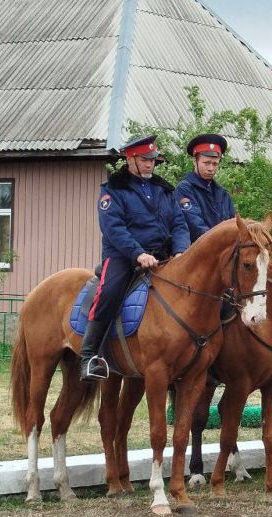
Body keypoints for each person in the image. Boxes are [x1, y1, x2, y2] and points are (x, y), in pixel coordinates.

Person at [80, 135, 190, 382]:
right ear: (130, 159)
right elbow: (114, 228)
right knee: (109, 291)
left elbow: (179, 223)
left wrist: (182, 250)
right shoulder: (113, 190)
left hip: (163, 257)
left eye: (153, 159)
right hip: (123, 257)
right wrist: (139, 253)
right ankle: (89, 357)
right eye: (145, 159)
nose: (150, 164)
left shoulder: (164, 190)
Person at [174, 133, 235, 241]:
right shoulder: (185, 189)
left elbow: (233, 224)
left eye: (215, 164)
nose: (211, 168)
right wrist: (221, 241)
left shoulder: (223, 194)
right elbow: (195, 225)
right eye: (206, 163)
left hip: (224, 251)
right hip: (197, 251)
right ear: (195, 161)